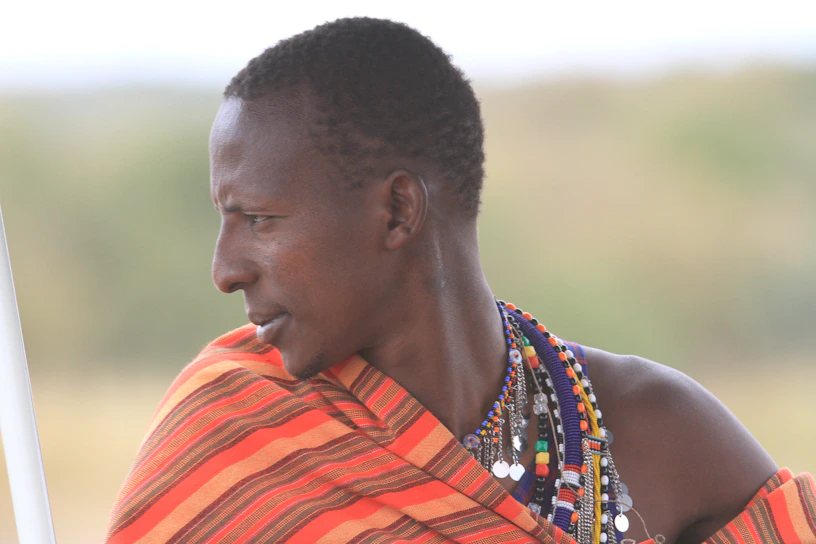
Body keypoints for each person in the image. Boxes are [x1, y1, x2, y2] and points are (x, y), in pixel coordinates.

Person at [105, 17, 815, 544]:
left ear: (397, 211)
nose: (225, 270)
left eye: (257, 220)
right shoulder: (230, 437)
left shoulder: (653, 432)